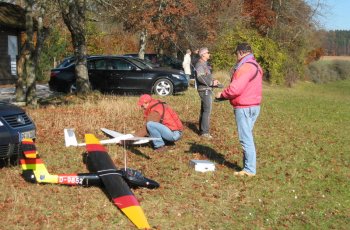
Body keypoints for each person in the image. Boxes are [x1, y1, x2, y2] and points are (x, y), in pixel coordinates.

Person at [216, 42, 263, 176]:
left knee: (245, 139)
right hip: (254, 106)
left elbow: (236, 89)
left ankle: (249, 170)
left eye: (236, 53)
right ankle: (248, 167)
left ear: (241, 52)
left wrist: (222, 95)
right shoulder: (256, 66)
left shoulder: (245, 67)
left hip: (244, 108)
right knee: (248, 137)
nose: (236, 56)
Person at [195, 47, 220, 139]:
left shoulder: (205, 64)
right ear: (203, 55)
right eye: (208, 52)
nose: (209, 54)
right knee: (207, 110)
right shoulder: (199, 65)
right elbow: (200, 78)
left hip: (207, 89)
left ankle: (202, 130)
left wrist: (214, 81)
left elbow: (207, 77)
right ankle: (205, 133)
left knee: (204, 110)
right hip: (204, 90)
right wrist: (211, 83)